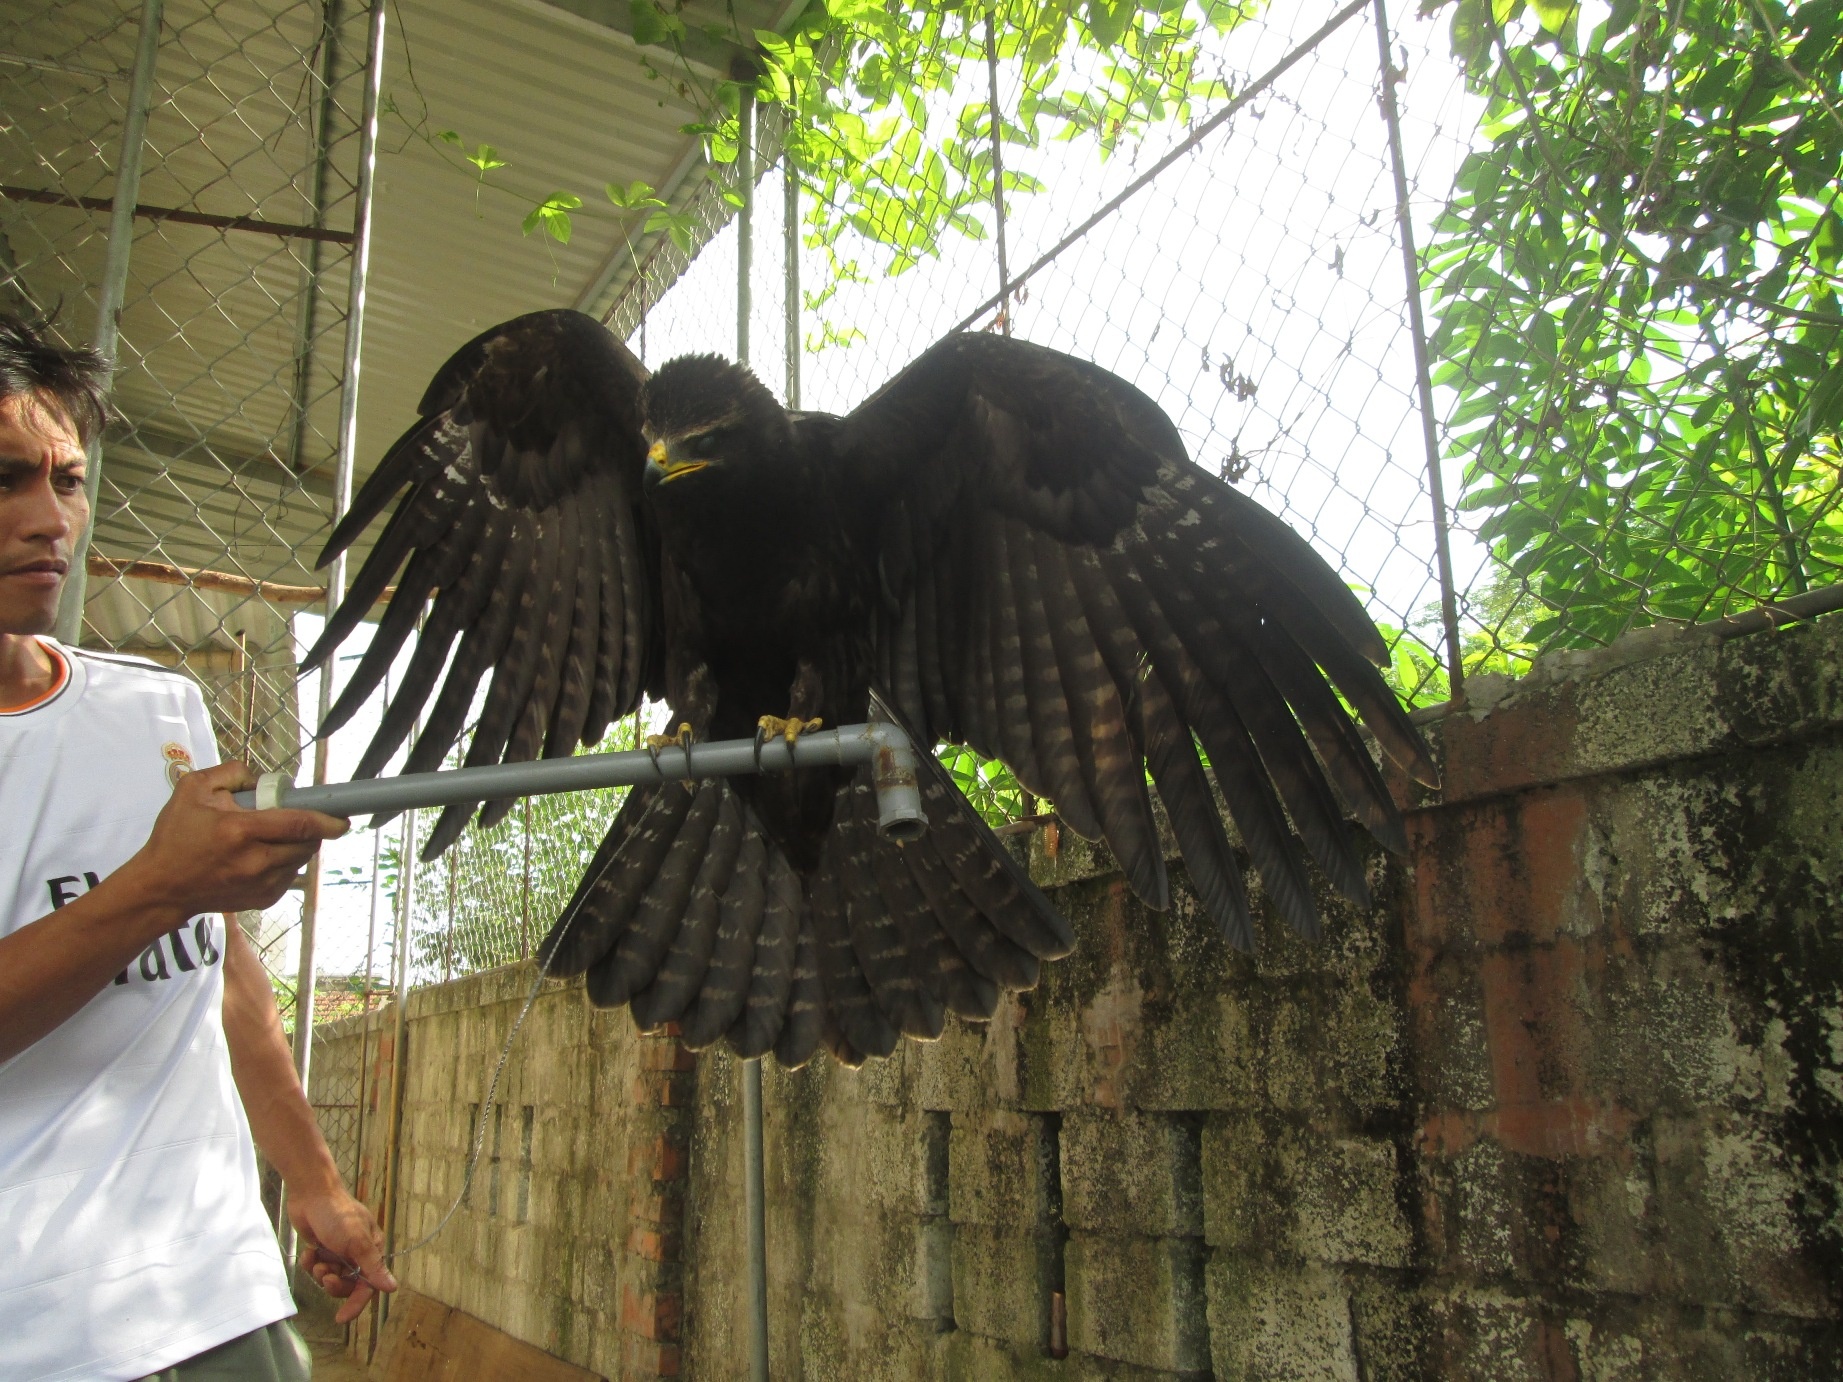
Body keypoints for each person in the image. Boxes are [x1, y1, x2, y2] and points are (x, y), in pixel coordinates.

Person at [0, 313, 394, 1381]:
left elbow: (222, 969)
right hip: (33, 1331)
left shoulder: (155, 708)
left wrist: (312, 1181)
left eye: (68, 480)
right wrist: (161, 883)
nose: (50, 519)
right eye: (6, 480)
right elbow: (171, 901)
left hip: (213, 1294)